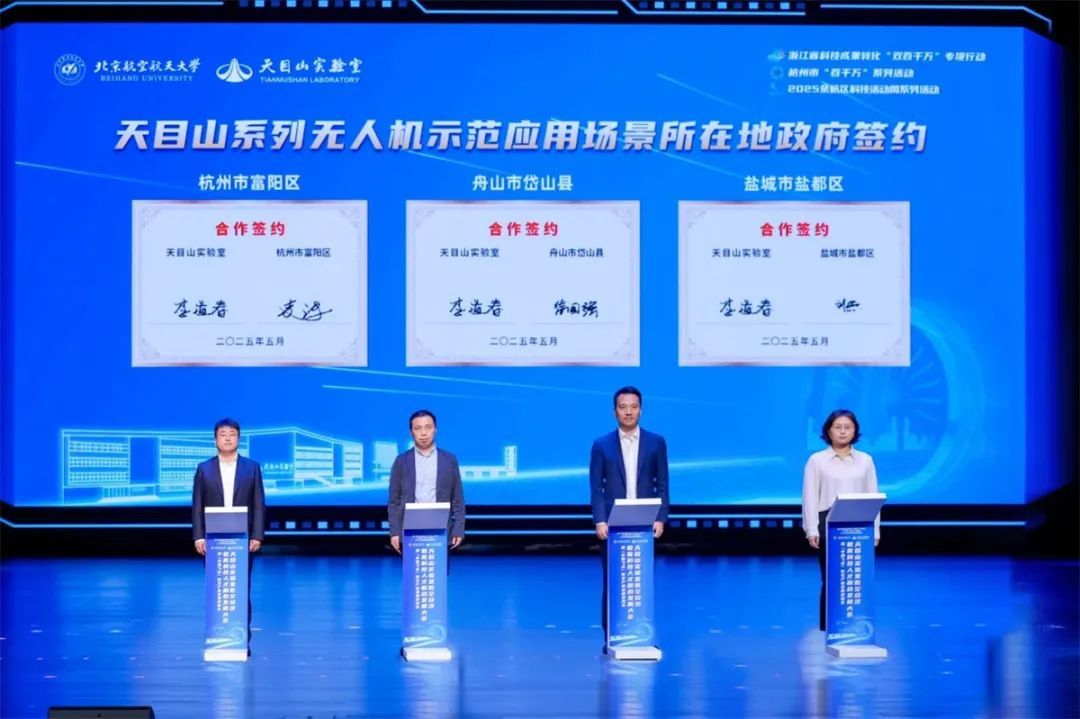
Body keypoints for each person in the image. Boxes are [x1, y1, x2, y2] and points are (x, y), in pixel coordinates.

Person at [589, 386, 670, 633]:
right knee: (613, 580)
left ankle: (640, 634)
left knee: (641, 580)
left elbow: (662, 484)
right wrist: (600, 520)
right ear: (614, 411)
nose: (628, 412)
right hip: (613, 523)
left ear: (641, 410)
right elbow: (596, 488)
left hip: (645, 522)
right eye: (623, 407)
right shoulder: (601, 445)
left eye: (633, 407)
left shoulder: (656, 442)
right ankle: (612, 636)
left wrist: (661, 518)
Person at [191, 418, 266, 653]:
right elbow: (197, 504)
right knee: (218, 588)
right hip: (213, 539)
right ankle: (218, 637)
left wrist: (257, 535)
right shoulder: (204, 468)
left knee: (240, 588)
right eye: (223, 434)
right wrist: (198, 536)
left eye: (232, 434)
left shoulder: (251, 467)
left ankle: (242, 641)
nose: (227, 438)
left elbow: (259, 503)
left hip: (242, 538)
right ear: (215, 439)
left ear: (238, 439)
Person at [802, 409, 880, 632]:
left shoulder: (865, 460)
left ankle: (856, 625)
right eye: (838, 427)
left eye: (848, 427)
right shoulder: (817, 460)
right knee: (832, 577)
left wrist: (875, 531)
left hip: (859, 523)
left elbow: (873, 495)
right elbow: (809, 496)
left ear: (855, 431)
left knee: (857, 578)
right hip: (829, 522)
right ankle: (831, 627)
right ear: (828, 431)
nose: (843, 431)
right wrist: (811, 529)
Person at [387, 410, 466, 553]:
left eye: (428, 427)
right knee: (414, 567)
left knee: (439, 567)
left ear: (435, 429)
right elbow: (394, 501)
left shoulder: (449, 460)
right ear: (411, 432)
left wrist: (459, 529)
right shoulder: (401, 461)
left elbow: (457, 498)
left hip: (441, 527)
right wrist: (394, 531)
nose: (423, 433)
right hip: (409, 528)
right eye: (418, 428)